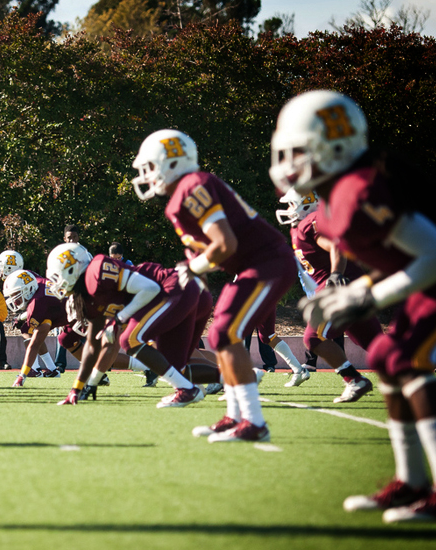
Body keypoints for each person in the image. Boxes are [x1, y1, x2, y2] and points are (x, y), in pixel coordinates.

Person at [272, 90, 436, 522]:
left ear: (332, 148)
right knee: (388, 360)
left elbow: (432, 253)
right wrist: (356, 287)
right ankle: (411, 482)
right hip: (422, 284)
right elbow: (393, 259)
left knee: (407, 363)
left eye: (298, 150)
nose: (289, 162)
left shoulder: (360, 190)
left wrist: (366, 296)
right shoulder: (333, 201)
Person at [132, 128, 297, 442]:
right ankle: (234, 417)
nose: (148, 175)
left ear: (171, 162)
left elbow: (224, 244)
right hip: (251, 265)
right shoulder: (181, 197)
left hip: (267, 262)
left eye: (151, 166)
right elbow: (207, 254)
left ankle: (254, 422)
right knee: (222, 334)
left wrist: (192, 268)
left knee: (226, 332)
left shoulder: (192, 186)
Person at [47, 245, 221, 408]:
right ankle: (234, 377)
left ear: (73, 268)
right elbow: (94, 346)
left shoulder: (97, 271)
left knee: (130, 339)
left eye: (57, 276)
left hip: (175, 288)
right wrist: (78, 388)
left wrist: (119, 318)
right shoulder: (88, 299)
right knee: (174, 368)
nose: (56, 283)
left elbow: (150, 288)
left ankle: (187, 390)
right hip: (182, 295)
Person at [276, 188, 379, 398]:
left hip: (340, 285)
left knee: (314, 338)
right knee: (378, 346)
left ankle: (354, 380)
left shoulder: (309, 223)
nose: (288, 209)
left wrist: (336, 274)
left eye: (291, 204)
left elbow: (335, 245)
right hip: (351, 287)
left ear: (304, 205)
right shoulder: (298, 228)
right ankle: (416, 373)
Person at [54, 224, 81, 372]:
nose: (71, 240)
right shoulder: (58, 254)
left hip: (80, 297)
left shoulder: (84, 254)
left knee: (84, 329)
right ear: (64, 238)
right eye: (69, 237)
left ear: (78, 238)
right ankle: (59, 364)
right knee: (61, 329)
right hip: (64, 297)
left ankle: (89, 362)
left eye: (74, 237)